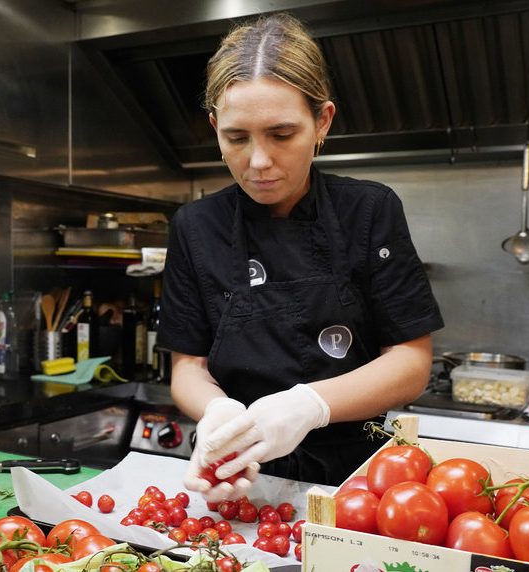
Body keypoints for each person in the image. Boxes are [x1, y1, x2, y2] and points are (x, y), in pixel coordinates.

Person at [159, 12, 443, 502]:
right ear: (214, 128)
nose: (259, 161)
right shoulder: (194, 226)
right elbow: (187, 365)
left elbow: (411, 361)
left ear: (322, 122)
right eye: (236, 137)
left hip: (360, 484)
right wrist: (217, 414)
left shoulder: (370, 210)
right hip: (239, 475)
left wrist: (310, 405)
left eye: (282, 134)